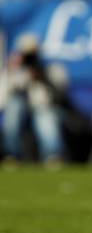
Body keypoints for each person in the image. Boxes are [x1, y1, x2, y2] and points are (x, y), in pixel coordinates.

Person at [2, 34, 67, 166]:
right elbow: (4, 97)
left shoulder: (50, 69)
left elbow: (60, 94)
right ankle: (11, 156)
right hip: (21, 108)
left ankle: (52, 156)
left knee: (44, 116)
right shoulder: (15, 70)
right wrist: (14, 72)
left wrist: (42, 77)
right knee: (14, 109)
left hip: (43, 107)